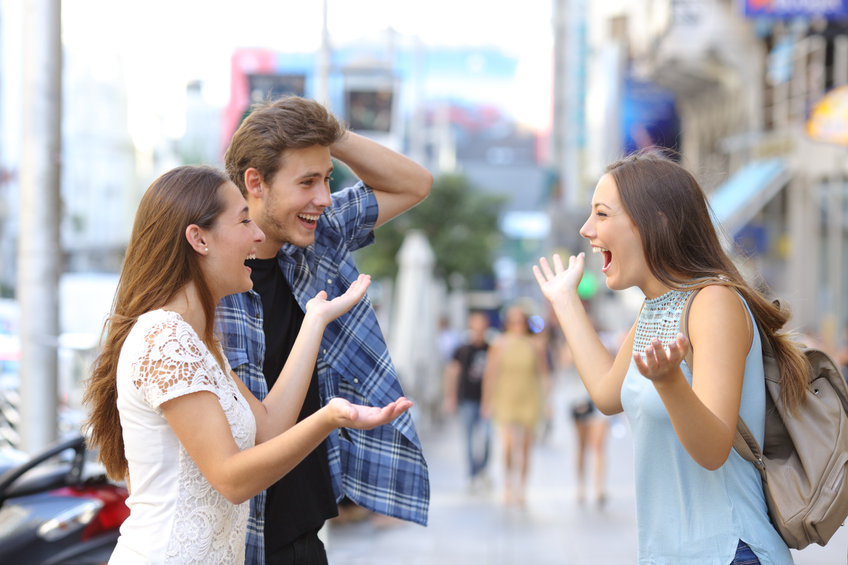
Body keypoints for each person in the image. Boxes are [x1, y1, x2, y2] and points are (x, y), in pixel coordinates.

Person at [82, 165, 412, 564]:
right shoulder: (167, 340)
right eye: (243, 221)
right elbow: (231, 478)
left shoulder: (197, 341)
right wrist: (329, 418)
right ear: (198, 239)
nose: (258, 235)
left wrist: (315, 321)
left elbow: (268, 427)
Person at [532, 151, 804, 564]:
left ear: (656, 221)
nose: (587, 230)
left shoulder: (713, 302)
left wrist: (670, 382)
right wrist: (566, 302)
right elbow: (608, 396)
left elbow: (713, 449)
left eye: (602, 215)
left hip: (728, 550)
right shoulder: (656, 308)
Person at [218, 95, 432, 565]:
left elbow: (415, 184)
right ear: (255, 183)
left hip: (305, 533)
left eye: (327, 179)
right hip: (236, 541)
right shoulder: (210, 283)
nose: (323, 197)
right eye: (307, 181)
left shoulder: (315, 238)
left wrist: (329, 134)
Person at [481, 304, 550, 506]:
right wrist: (486, 402)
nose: (516, 324)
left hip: (529, 397)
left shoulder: (535, 344)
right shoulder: (499, 343)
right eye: (513, 320)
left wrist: (548, 402)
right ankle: (508, 484)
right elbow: (490, 374)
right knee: (509, 446)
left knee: (526, 447)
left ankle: (522, 487)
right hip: (505, 398)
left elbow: (544, 373)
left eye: (520, 320)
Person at [442, 311, 492, 490]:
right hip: (467, 400)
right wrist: (451, 397)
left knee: (487, 437)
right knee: (469, 439)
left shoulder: (491, 348)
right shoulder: (462, 350)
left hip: (487, 401)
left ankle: (483, 469)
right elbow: (452, 373)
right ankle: (472, 474)